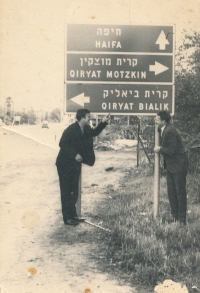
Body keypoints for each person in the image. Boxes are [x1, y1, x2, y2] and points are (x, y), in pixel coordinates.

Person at [56, 109, 110, 226]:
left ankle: (73, 215)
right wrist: (74, 154)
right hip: (64, 164)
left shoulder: (85, 128)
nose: (89, 118)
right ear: (82, 118)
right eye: (88, 117)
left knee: (74, 191)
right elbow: (62, 144)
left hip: (75, 164)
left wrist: (103, 122)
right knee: (66, 191)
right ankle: (67, 218)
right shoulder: (71, 129)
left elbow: (94, 133)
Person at [154, 111, 189, 225]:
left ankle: (182, 220)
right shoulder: (165, 129)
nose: (155, 120)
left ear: (163, 121)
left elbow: (172, 151)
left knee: (179, 192)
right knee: (172, 193)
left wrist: (160, 149)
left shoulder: (170, 131)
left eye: (157, 119)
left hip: (178, 166)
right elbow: (161, 131)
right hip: (171, 166)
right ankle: (175, 218)